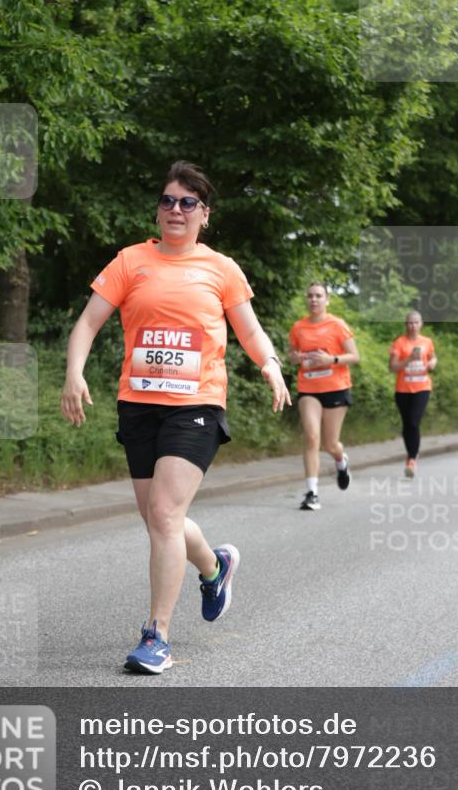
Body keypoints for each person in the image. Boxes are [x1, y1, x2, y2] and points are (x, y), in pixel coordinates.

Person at [61, 161, 290, 674]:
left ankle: (156, 636)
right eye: (168, 201)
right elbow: (88, 323)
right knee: (156, 518)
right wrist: (75, 373)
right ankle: (215, 566)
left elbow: (250, 332)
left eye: (188, 203)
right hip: (139, 403)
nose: (176, 210)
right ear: (158, 209)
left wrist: (270, 365)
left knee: (164, 514)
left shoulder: (221, 268)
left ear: (204, 214)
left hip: (197, 404)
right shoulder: (130, 261)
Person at [288, 282, 359, 510]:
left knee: (330, 444)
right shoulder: (299, 327)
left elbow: (354, 356)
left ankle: (341, 460)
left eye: (318, 296)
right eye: (310, 296)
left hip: (336, 387)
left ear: (327, 300)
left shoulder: (337, 325)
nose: (314, 300)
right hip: (309, 387)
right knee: (311, 436)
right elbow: (290, 356)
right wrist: (297, 358)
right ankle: (312, 493)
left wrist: (331, 360)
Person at [389, 311, 437, 478]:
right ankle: (411, 453)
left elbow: (433, 357)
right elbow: (393, 367)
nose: (413, 326)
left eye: (416, 323)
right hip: (403, 389)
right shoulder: (399, 343)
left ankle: (411, 459)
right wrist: (408, 359)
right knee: (407, 423)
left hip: (422, 387)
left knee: (414, 421)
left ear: (421, 324)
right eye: (410, 323)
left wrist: (432, 363)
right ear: (406, 325)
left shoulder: (427, 342)